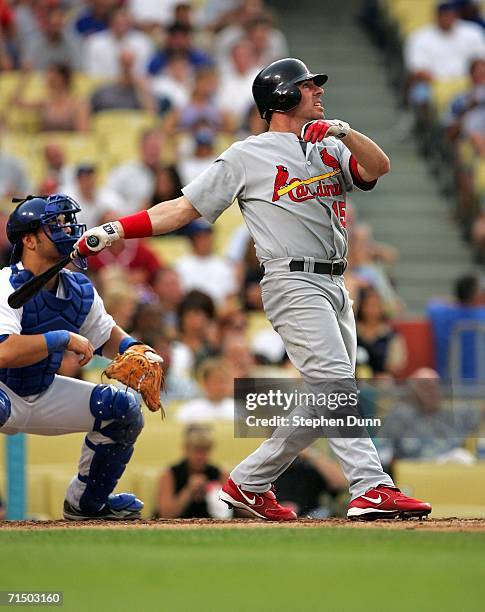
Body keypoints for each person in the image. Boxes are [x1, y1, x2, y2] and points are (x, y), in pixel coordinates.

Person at [76, 57, 432, 521]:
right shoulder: (247, 155)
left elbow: (377, 167)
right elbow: (183, 210)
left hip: (335, 280)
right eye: (308, 86)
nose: (318, 92)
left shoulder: (330, 145)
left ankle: (247, 483)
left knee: (325, 401)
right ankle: (370, 486)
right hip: (292, 278)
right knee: (335, 385)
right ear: (283, 96)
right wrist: (118, 229)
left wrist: (344, 133)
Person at [0, 194, 163, 520]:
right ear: (29, 240)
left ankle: (86, 504)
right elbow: (4, 352)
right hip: (4, 391)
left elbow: (106, 337)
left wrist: (138, 350)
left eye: (66, 222)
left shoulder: (78, 288)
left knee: (123, 411)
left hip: (42, 390)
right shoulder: (6, 283)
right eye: (55, 225)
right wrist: (62, 338)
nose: (67, 229)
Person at [157, 424, 230, 519]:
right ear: (186, 449)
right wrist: (189, 490)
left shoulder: (220, 474)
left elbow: (234, 510)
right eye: (197, 450)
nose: (201, 456)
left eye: (205, 450)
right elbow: (165, 514)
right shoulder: (169, 474)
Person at [12, 63, 90, 133]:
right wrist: (24, 77)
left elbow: (83, 135)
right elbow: (17, 102)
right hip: (45, 146)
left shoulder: (78, 105)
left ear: (62, 78)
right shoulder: (46, 102)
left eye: (52, 74)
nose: (47, 77)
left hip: (68, 147)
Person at [356, 286, 408, 377]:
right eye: (368, 305)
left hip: (382, 381)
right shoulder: (352, 332)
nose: (372, 309)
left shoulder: (391, 335)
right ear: (361, 307)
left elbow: (396, 365)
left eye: (376, 305)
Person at [175, 358, 234, 422]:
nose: (221, 386)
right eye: (217, 381)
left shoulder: (238, 410)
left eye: (224, 381)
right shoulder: (188, 411)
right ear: (205, 383)